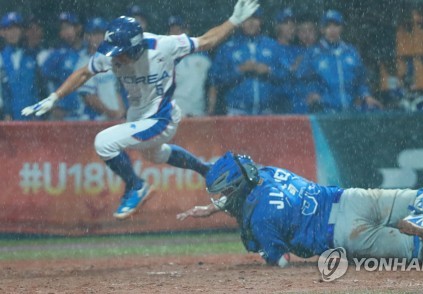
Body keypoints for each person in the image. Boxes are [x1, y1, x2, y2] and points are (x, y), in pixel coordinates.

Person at [21, 0, 261, 219]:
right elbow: (84, 72)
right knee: (154, 154)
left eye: (121, 53)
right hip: (138, 114)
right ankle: (205, 169)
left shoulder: (163, 45)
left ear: (135, 48)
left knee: (103, 142)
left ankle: (136, 185)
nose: (116, 58)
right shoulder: (112, 53)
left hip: (161, 118)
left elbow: (206, 41)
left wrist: (234, 20)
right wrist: (54, 97)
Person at [177, 151, 423, 267]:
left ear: (237, 187)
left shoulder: (260, 220)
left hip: (346, 236)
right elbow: (251, 192)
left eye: (225, 192)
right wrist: (215, 207)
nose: (224, 198)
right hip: (350, 199)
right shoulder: (270, 173)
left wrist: (266, 249)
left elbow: (280, 262)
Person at [296, 10, 382, 113]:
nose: (332, 30)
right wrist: (313, 93)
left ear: (341, 28)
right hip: (325, 113)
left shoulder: (351, 52)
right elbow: (302, 80)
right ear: (322, 29)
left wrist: (366, 96)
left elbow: (360, 81)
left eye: (336, 25)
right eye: (328, 26)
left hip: (352, 112)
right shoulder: (313, 54)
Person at [210, 9, 283, 115]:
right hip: (236, 111)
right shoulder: (228, 48)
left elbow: (287, 76)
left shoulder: (273, 46)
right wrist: (239, 70)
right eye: (247, 19)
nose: (251, 23)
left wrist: (269, 70)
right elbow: (216, 79)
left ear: (261, 21)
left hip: (266, 112)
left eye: (255, 18)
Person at [77, 17, 125, 121]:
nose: (98, 37)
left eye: (101, 33)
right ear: (87, 36)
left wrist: (121, 113)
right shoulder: (83, 62)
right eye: (94, 33)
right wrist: (112, 113)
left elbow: (115, 90)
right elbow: (89, 98)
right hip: (92, 120)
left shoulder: (110, 60)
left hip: (111, 120)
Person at [40, 12, 87, 120]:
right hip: (64, 115)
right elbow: (46, 83)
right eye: (62, 29)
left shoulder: (89, 51)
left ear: (78, 28)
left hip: (89, 113)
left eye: (68, 27)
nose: (65, 32)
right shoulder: (56, 55)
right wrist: (54, 105)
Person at [166, 15, 211, 117]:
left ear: (187, 30)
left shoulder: (203, 56)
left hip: (198, 112)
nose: (176, 34)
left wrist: (211, 109)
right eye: (173, 30)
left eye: (179, 30)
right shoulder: (164, 58)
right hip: (174, 114)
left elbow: (212, 84)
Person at [0, 12, 41, 121]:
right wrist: (5, 113)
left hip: (32, 119)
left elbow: (38, 89)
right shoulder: (1, 58)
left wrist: (37, 113)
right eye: (9, 29)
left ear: (22, 31)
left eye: (16, 28)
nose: (13, 33)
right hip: (7, 120)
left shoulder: (32, 57)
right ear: (2, 32)